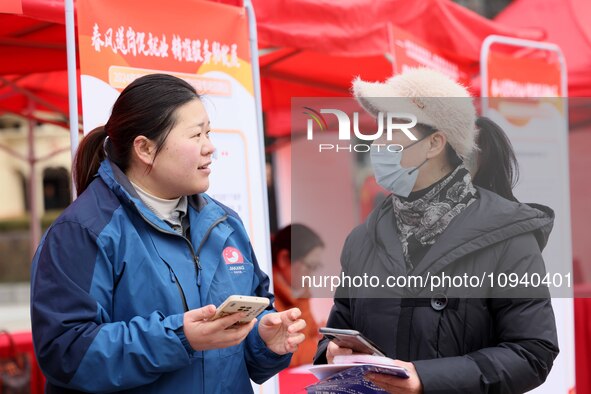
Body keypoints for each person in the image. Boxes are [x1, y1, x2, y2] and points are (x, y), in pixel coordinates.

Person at [30, 73, 306, 393]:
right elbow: (67, 353)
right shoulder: (83, 231)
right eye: (196, 135)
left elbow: (249, 339)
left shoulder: (225, 225)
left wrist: (265, 340)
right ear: (145, 149)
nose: (210, 148)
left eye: (209, 132)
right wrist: (179, 338)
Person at [313, 68, 559, 394]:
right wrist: (332, 352)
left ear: (434, 143)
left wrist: (426, 379)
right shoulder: (362, 240)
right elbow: (339, 326)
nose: (379, 141)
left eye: (393, 129)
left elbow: (532, 352)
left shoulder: (508, 236)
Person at [272, 224, 324, 366]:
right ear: (283, 259)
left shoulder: (297, 292)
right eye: (310, 266)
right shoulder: (267, 294)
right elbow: (289, 352)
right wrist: (322, 346)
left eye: (316, 267)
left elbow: (310, 335)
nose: (312, 274)